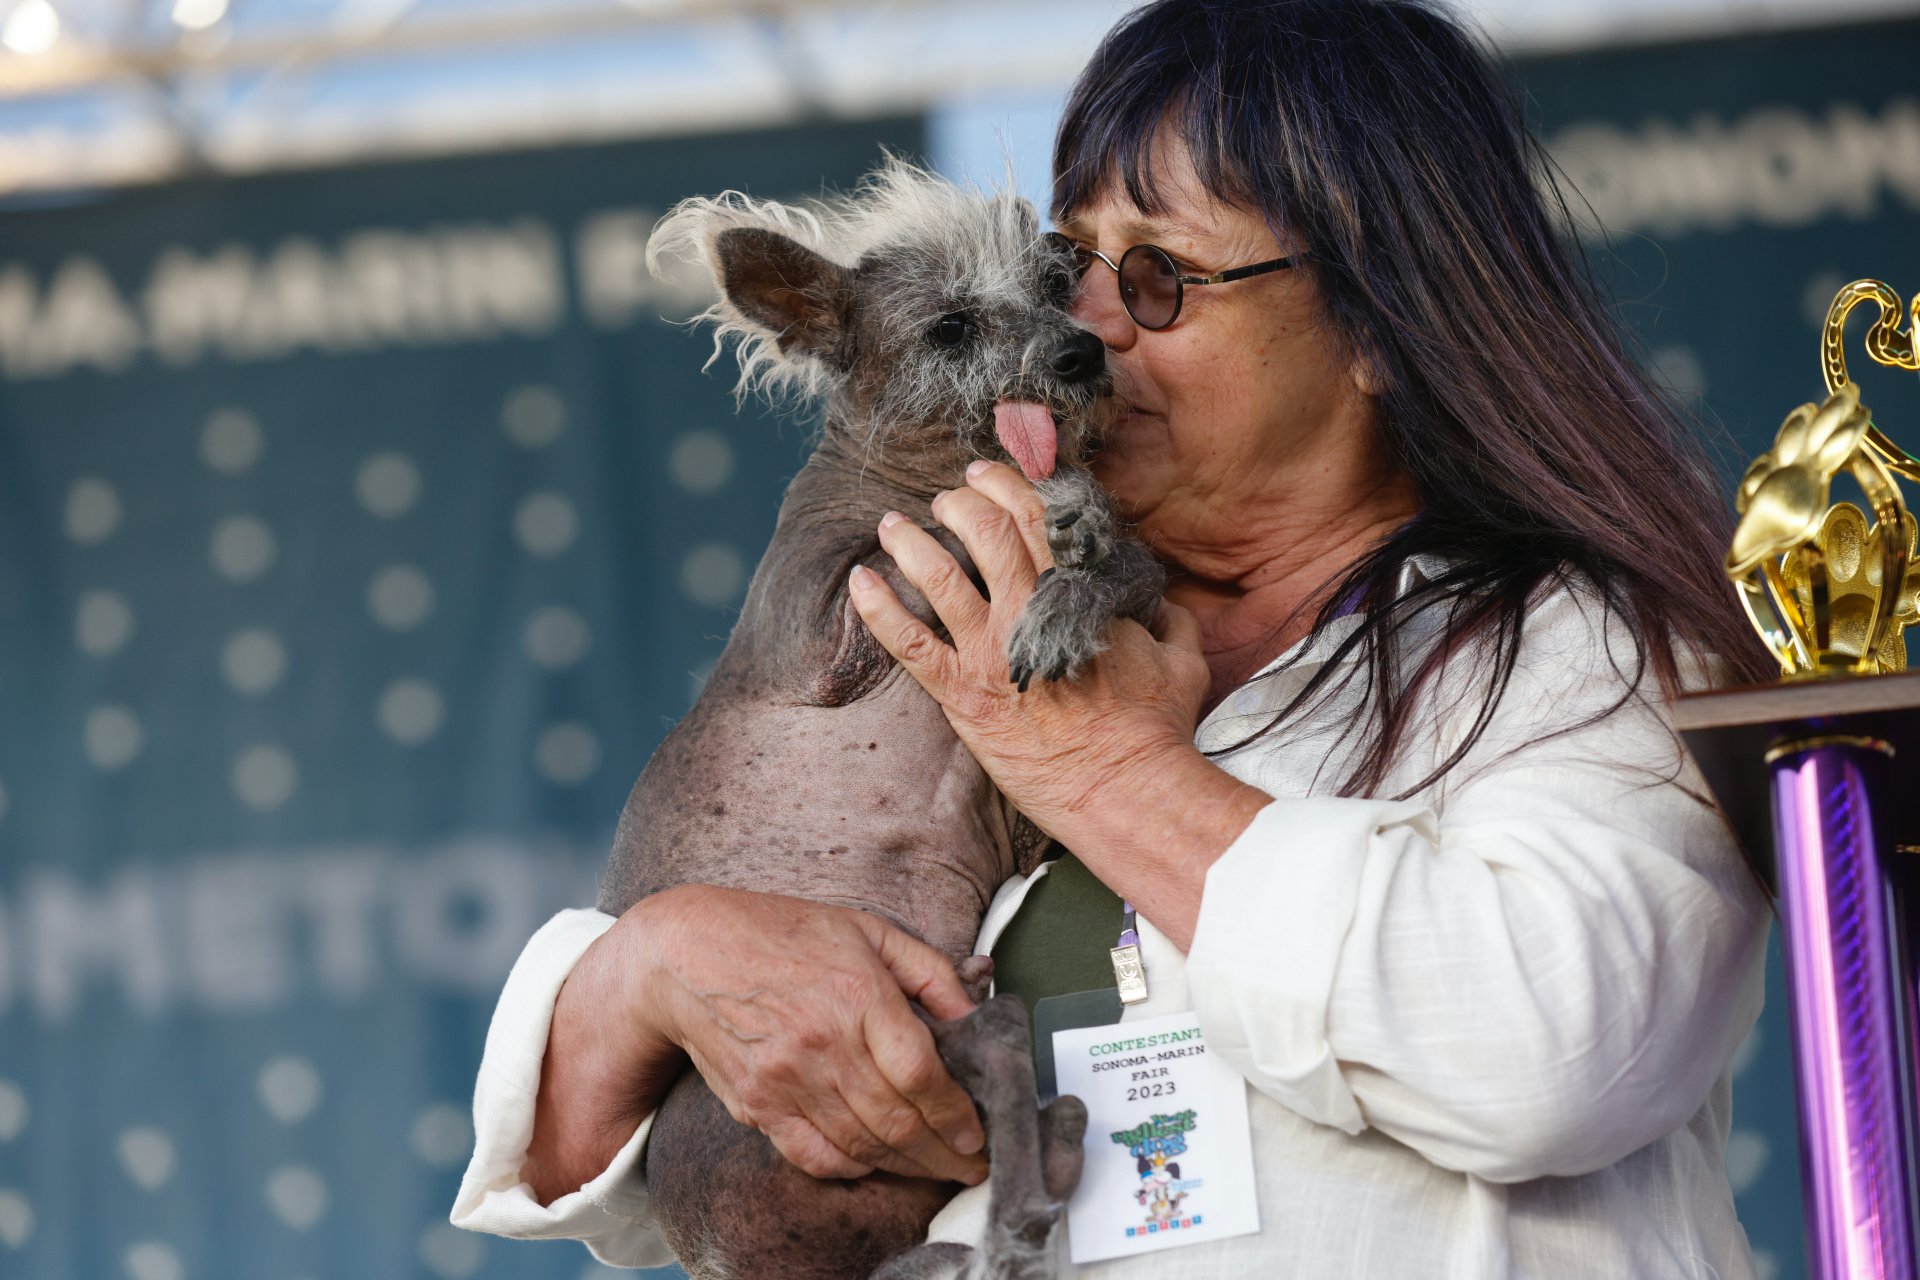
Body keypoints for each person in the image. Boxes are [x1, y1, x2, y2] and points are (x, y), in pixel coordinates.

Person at [452, 0, 1780, 1274]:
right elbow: (634, 1184)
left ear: (1384, 324)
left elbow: (1553, 1051)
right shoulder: (994, 607)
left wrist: (1108, 775)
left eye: (1156, 278)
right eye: (1068, 264)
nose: (1075, 326)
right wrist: (654, 966)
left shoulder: (1582, 650)